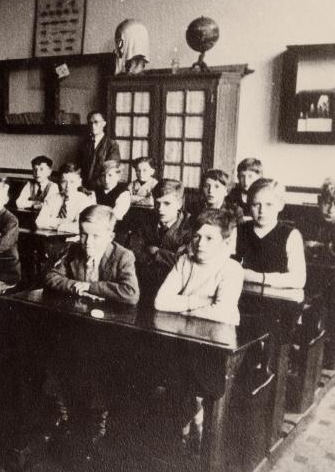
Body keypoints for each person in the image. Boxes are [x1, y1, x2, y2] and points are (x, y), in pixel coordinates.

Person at [43, 205, 139, 451]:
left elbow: (130, 293)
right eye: (84, 234)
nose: (87, 242)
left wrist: (90, 287)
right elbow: (51, 276)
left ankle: (99, 422)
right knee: (56, 354)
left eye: (96, 236)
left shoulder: (123, 256)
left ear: (110, 235)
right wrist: (75, 286)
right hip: (77, 322)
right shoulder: (73, 250)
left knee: (98, 367)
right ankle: (65, 413)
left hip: (111, 329)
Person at [154, 208, 243, 448]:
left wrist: (181, 307)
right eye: (197, 236)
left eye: (210, 238)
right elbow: (160, 302)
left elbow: (221, 312)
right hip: (183, 337)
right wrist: (202, 302)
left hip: (215, 343)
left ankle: (193, 424)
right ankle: (186, 423)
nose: (200, 243)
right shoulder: (185, 261)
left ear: (225, 242)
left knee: (192, 375)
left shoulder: (231, 269)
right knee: (169, 368)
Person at [128, 179, 192, 306]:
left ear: (179, 204)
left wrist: (157, 252)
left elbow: (183, 262)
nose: (160, 209)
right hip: (141, 286)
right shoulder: (145, 220)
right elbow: (132, 250)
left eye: (167, 203)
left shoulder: (190, 228)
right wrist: (167, 256)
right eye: (157, 203)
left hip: (172, 293)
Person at [236, 178, 306, 288]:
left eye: (269, 204)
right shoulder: (239, 230)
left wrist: (256, 277)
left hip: (277, 296)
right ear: (249, 205)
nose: (262, 211)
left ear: (280, 205)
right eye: (256, 204)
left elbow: (298, 280)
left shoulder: (291, 235)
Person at [36, 162, 96, 233]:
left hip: (73, 238)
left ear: (79, 182)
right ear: (59, 182)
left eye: (72, 182)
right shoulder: (51, 198)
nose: (68, 186)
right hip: (50, 237)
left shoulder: (85, 201)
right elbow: (39, 222)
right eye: (64, 182)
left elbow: (80, 227)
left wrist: (57, 224)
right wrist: (67, 223)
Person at [77, 111, 120, 188]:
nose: (93, 126)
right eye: (90, 123)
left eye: (96, 122)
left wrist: (92, 187)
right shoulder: (85, 144)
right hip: (84, 188)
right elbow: (79, 167)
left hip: (102, 187)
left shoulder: (112, 145)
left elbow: (111, 171)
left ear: (104, 124)